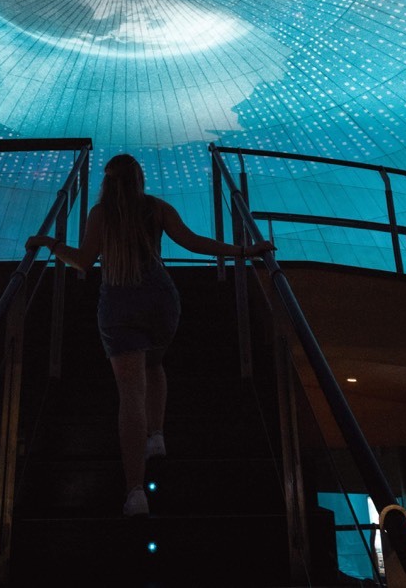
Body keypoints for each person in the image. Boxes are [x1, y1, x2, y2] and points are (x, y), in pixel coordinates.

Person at [25, 154, 273, 517]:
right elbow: (193, 242)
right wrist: (245, 251)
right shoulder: (157, 208)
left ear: (108, 183)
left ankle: (136, 492)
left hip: (119, 305)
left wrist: (50, 243)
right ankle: (157, 436)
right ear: (140, 179)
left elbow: (83, 261)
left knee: (130, 395)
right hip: (160, 302)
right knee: (154, 363)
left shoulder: (100, 214)